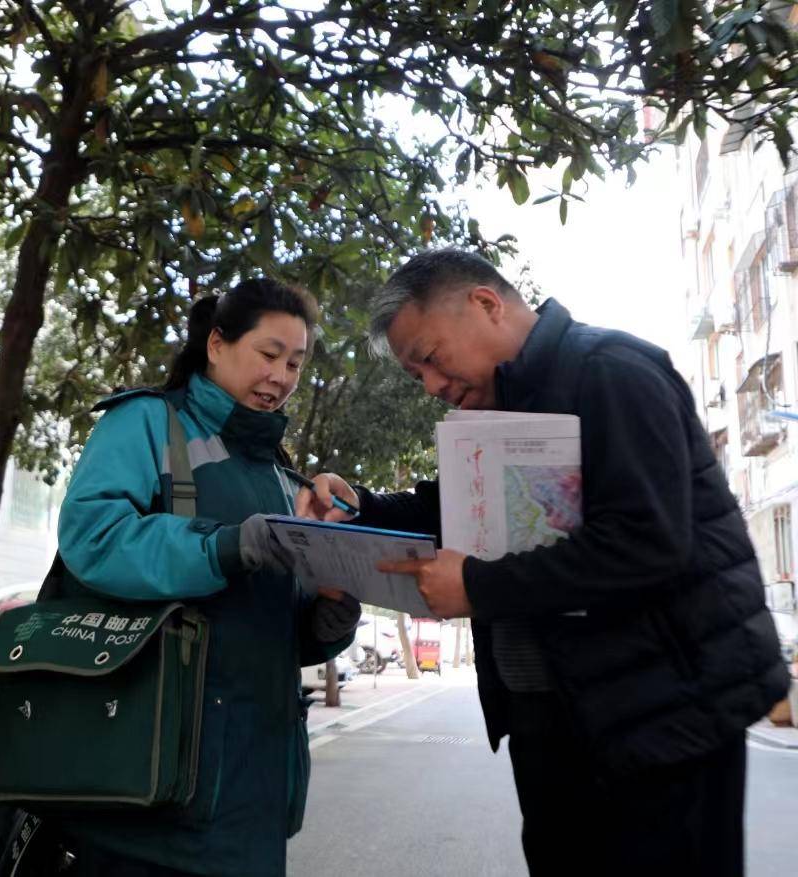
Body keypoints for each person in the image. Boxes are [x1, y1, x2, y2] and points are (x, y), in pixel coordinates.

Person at [300, 249, 789, 877]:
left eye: (429, 357)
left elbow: (648, 540)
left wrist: (478, 584)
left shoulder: (613, 372)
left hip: (667, 717)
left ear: (485, 304)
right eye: (414, 373)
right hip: (557, 722)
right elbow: (451, 507)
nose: (430, 385)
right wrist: (358, 507)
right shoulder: (496, 406)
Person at [53, 278, 361, 877]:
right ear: (217, 344)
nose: (282, 375)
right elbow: (92, 537)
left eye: (296, 363)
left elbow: (289, 635)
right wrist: (226, 546)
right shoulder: (146, 423)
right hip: (148, 778)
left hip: (257, 787)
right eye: (269, 354)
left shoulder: (283, 478)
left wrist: (334, 591)